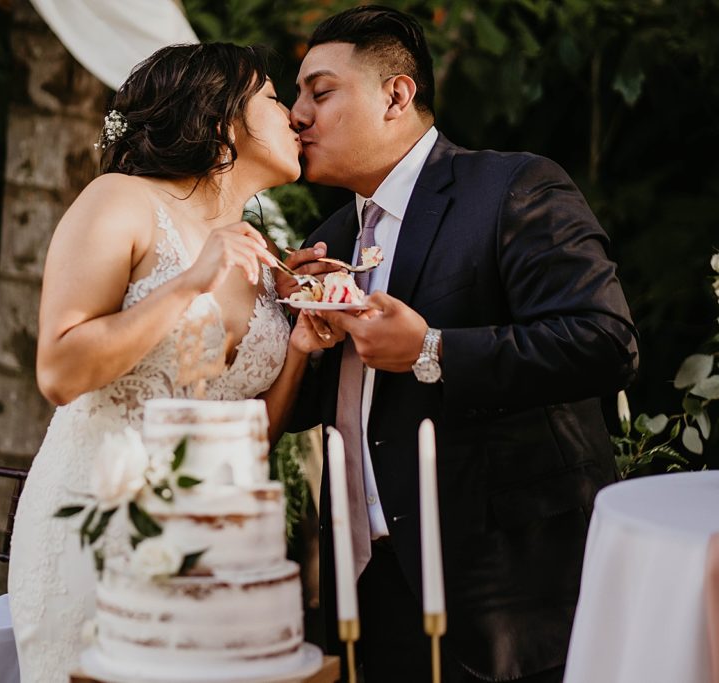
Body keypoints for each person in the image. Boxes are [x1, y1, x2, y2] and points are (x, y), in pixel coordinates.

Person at [278, 6, 639, 682]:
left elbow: (605, 341)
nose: (296, 115)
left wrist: (432, 349)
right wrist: (311, 339)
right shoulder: (329, 237)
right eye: (296, 95)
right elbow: (308, 415)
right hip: (365, 590)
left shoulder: (512, 186)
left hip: (504, 590)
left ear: (396, 94)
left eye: (319, 92)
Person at [7, 43, 329, 682]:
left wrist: (297, 349)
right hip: (97, 532)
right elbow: (59, 372)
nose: (295, 116)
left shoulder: (263, 258)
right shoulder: (120, 201)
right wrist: (190, 283)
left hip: (209, 560)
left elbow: (244, 437)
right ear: (220, 121)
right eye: (272, 97)